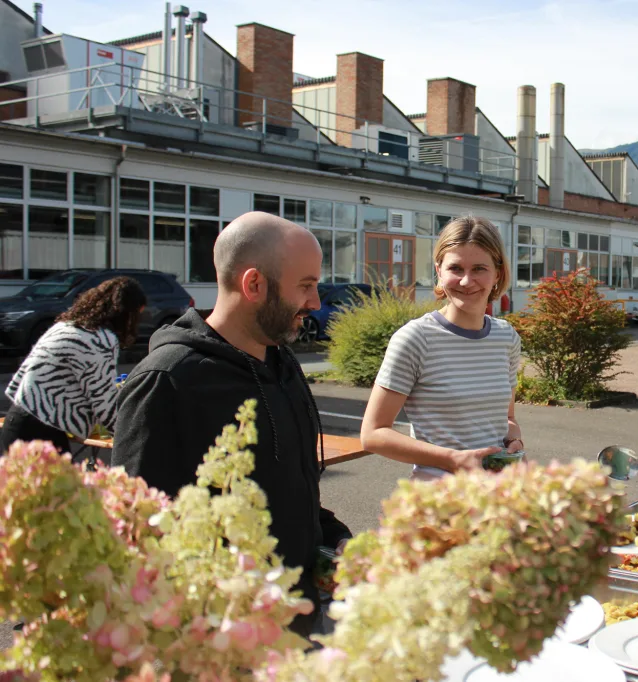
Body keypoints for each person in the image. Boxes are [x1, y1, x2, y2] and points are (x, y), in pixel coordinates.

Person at [111, 211, 350, 636]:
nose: (315, 302)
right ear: (254, 284)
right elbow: (139, 534)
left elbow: (291, 490)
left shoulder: (282, 363)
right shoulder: (168, 381)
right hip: (221, 640)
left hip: (296, 619)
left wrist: (335, 540)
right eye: (306, 285)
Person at [361, 215, 522, 481]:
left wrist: (515, 441)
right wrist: (452, 459)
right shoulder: (415, 338)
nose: (466, 281)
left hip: (498, 499)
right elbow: (373, 434)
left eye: (479, 269)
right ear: (439, 271)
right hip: (438, 503)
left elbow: (507, 419)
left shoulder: (506, 338)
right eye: (456, 268)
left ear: (498, 274)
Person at [1, 276, 146, 455]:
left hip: (17, 421)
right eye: (137, 315)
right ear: (125, 313)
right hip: (39, 433)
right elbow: (104, 402)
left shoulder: (65, 326)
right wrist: (136, 438)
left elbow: (21, 379)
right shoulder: (99, 339)